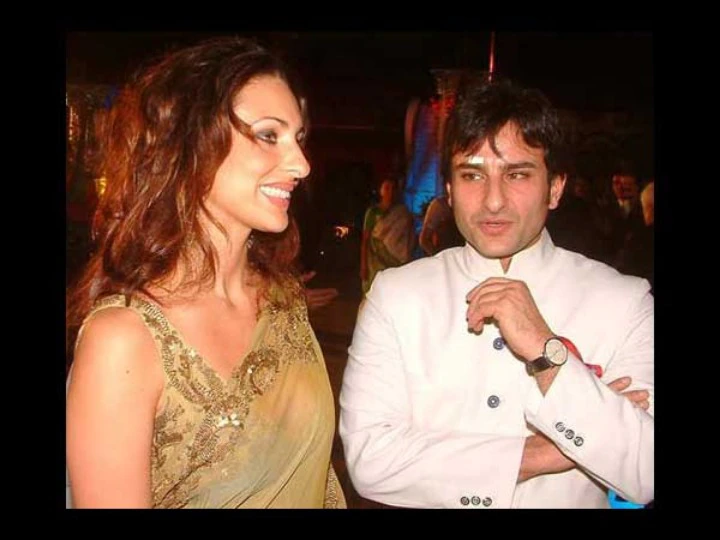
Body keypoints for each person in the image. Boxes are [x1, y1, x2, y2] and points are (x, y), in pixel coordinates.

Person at [339, 77, 653, 508]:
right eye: (472, 175)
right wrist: (541, 454)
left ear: (555, 187)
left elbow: (646, 471)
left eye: (517, 174)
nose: (492, 201)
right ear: (450, 190)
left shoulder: (623, 302)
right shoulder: (396, 297)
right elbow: (369, 462)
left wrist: (547, 352)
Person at [66, 36, 346, 509]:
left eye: (298, 139)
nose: (301, 164)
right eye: (268, 135)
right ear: (191, 144)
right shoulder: (123, 340)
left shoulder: (282, 300)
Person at [360, 176, 415, 295]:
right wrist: (363, 265)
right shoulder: (373, 212)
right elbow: (366, 239)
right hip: (374, 261)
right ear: (381, 190)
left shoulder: (402, 213)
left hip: (396, 262)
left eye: (393, 189)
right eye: (387, 188)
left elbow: (409, 239)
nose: (390, 192)